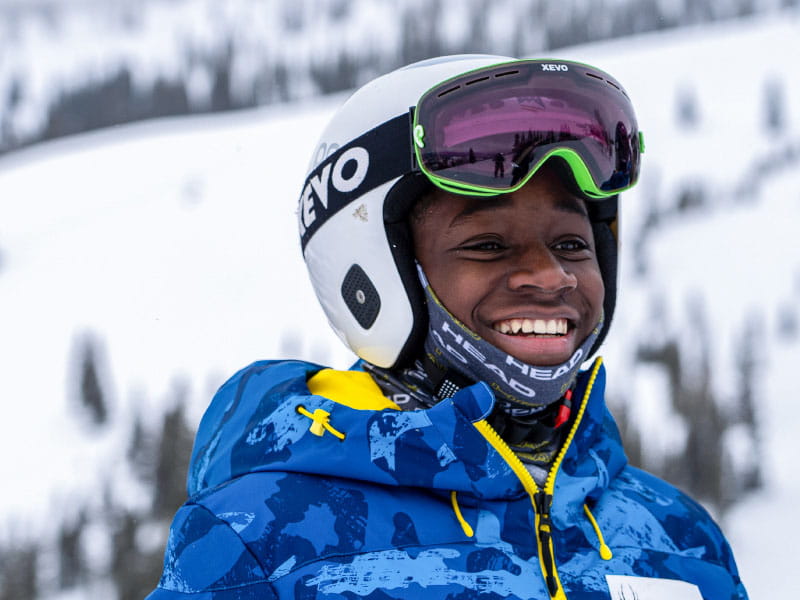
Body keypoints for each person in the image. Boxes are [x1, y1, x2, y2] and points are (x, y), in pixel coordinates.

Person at [146, 55, 748, 599]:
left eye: (571, 242)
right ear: (376, 274)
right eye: (488, 245)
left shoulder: (681, 537)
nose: (550, 275)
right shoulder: (261, 541)